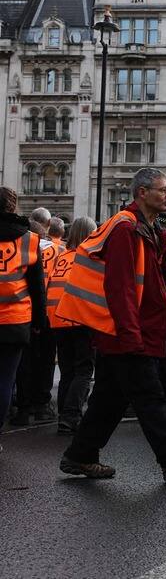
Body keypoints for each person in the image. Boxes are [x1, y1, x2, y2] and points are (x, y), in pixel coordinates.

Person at [58, 169, 166, 482]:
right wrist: (131, 334)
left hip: (132, 331)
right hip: (128, 332)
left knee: (108, 399)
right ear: (142, 192)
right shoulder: (126, 229)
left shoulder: (148, 229)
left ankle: (79, 455)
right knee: (150, 396)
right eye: (163, 190)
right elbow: (121, 287)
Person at [0, 188, 48, 450]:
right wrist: (40, 322)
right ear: (13, 207)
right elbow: (37, 287)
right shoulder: (29, 240)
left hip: (14, 320)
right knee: (6, 379)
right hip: (15, 320)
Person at [46, 217, 98, 435]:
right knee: (84, 370)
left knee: (67, 370)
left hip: (57, 318)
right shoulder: (89, 257)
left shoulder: (62, 257)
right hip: (79, 318)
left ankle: (63, 416)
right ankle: (71, 416)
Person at [12, 208, 57, 427]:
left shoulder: (19, 247)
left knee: (23, 363)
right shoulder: (57, 250)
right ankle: (42, 405)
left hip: (22, 313)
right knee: (46, 361)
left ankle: (22, 407)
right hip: (46, 312)